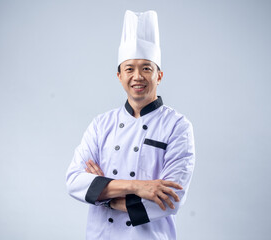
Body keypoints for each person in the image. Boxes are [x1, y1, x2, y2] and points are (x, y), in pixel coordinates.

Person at [66, 10, 195, 240]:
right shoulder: (101, 125)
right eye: (129, 68)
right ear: (119, 76)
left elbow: (170, 200)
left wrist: (103, 195)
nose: (137, 76)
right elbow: (74, 181)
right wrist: (137, 187)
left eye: (146, 68)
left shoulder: (178, 127)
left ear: (159, 75)